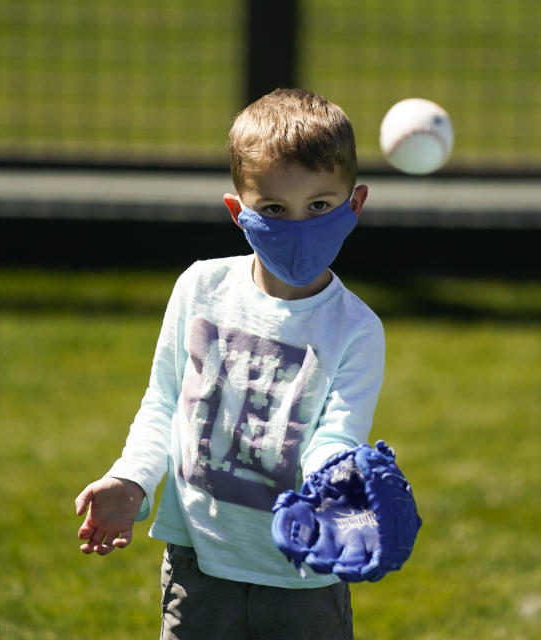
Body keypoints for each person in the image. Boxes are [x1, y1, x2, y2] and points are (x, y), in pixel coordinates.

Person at [74, 88, 386, 640]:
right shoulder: (201, 288)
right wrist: (133, 478)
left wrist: (335, 488)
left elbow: (337, 433)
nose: (299, 225)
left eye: (319, 206)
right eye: (274, 209)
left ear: (354, 205)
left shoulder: (357, 329)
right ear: (237, 212)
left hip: (303, 579)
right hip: (200, 567)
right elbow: (165, 402)